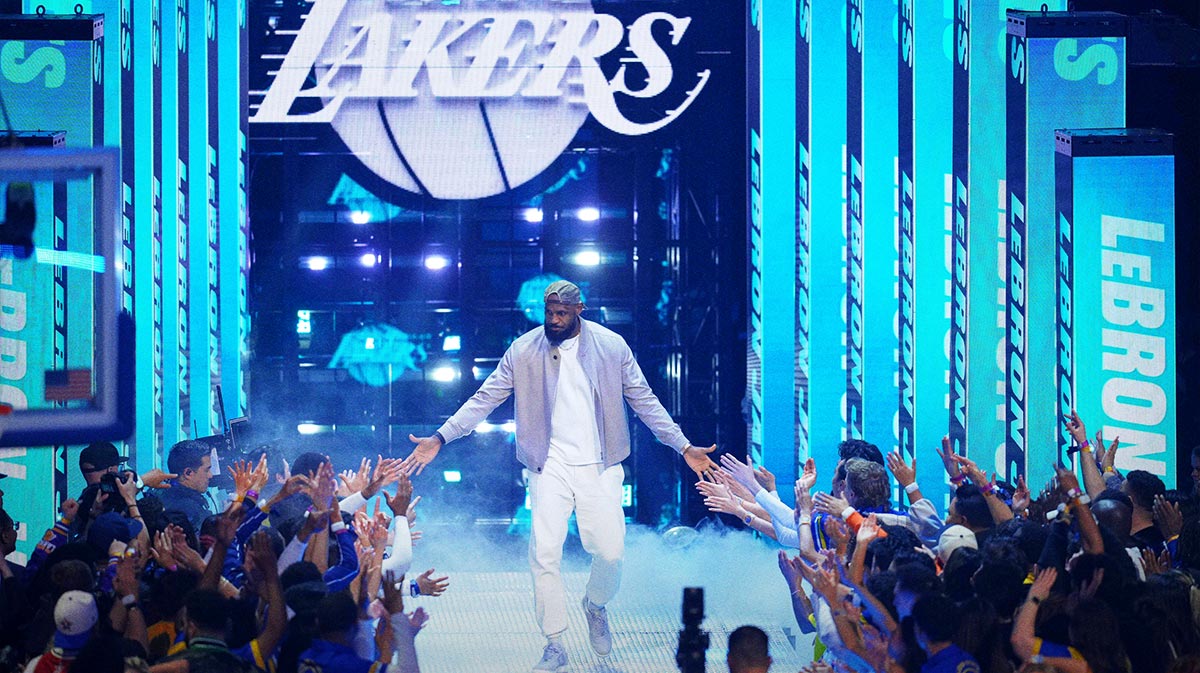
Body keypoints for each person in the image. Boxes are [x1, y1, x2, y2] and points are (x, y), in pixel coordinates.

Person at [401, 279, 717, 672]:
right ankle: (554, 642)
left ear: (579, 309)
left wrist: (682, 445)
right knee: (544, 553)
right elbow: (485, 398)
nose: (553, 320)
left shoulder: (611, 346)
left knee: (611, 552)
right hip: (547, 466)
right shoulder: (523, 349)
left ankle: (595, 603)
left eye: (561, 314)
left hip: (601, 466)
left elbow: (644, 400)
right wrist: (441, 437)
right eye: (549, 312)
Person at [157, 440, 216, 532]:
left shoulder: (162, 496)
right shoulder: (190, 509)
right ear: (188, 473)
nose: (210, 475)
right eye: (206, 470)